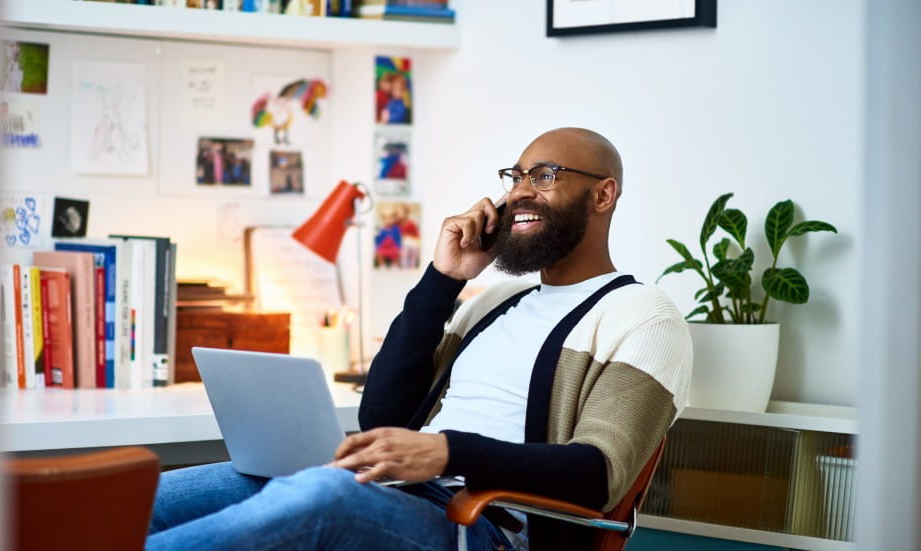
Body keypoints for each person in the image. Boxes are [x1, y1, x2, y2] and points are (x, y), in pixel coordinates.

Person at [146, 128, 692, 551]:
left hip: (483, 527)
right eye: (516, 176)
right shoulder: (490, 302)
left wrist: (444, 451)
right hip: (394, 493)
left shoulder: (642, 317)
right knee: (154, 494)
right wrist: (443, 279)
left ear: (603, 195)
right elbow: (382, 416)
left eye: (545, 176)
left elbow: (596, 474)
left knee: (318, 496)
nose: (520, 192)